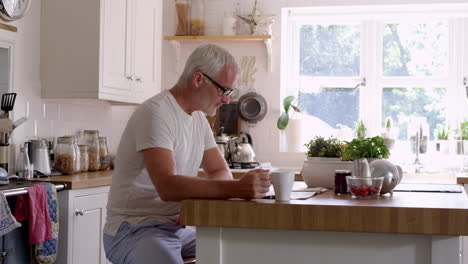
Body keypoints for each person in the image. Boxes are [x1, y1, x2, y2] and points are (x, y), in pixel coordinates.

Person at [103, 44, 271, 264]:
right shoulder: (156, 113)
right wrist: (236, 188)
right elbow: (167, 186)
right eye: (223, 90)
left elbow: (219, 169)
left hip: (174, 229)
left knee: (237, 250)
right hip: (133, 229)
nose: (227, 100)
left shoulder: (198, 119)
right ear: (198, 79)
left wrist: (200, 201)